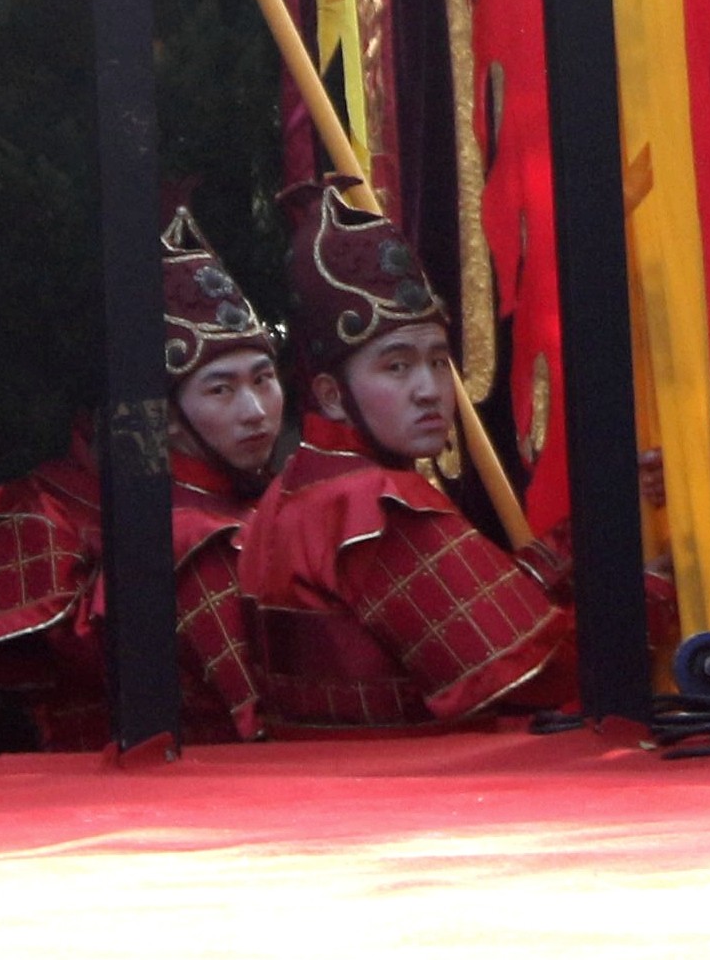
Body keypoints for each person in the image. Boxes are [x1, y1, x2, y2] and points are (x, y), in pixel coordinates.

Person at [238, 181, 571, 731]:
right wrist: (651, 591)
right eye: (397, 366)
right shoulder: (374, 503)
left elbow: (462, 608)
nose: (429, 389)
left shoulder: (288, 492)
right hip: (408, 790)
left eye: (438, 361)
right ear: (329, 395)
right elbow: (532, 673)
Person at [0, 206, 284, 748]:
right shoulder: (161, 532)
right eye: (221, 389)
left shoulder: (276, 499)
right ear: (164, 416)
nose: (254, 411)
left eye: (264, 379)